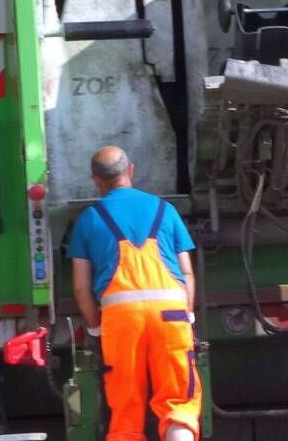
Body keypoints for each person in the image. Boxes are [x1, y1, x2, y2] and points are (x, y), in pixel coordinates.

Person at [69, 146, 201, 441]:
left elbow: (80, 286)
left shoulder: (88, 219)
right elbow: (187, 272)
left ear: (95, 180)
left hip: (121, 321)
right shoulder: (165, 210)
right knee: (177, 401)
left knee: (125, 409)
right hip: (171, 313)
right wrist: (186, 316)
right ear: (131, 170)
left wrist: (95, 327)